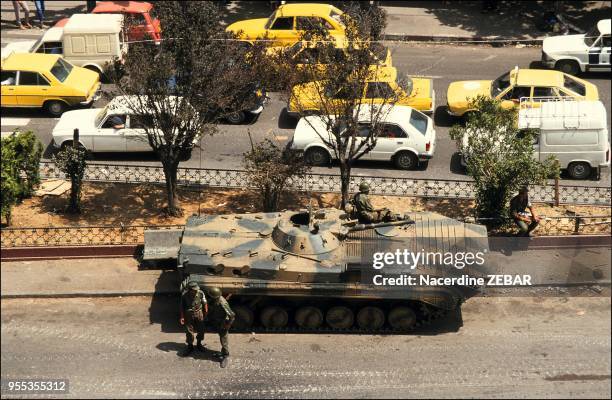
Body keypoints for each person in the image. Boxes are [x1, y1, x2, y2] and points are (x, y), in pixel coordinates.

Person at [205, 287, 235, 368]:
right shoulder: (215, 300)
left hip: (222, 323)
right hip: (217, 321)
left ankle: (225, 354)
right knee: (221, 336)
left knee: (223, 338)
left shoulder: (222, 302)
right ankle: (223, 352)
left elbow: (232, 315)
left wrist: (227, 324)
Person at [179, 280, 207, 356]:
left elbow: (204, 303)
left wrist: (205, 313)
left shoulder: (200, 293)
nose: (196, 291)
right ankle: (190, 346)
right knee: (189, 331)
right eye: (194, 290)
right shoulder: (184, 295)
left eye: (196, 289)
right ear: (189, 290)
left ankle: (199, 344)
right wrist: (182, 317)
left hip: (199, 313)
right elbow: (182, 307)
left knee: (201, 329)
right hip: (188, 314)